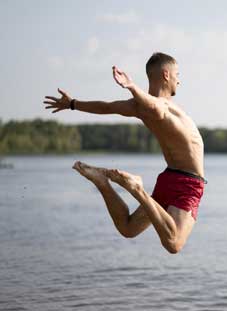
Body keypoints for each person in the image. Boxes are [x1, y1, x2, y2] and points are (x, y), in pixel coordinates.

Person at [43, 52, 206, 254]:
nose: (179, 81)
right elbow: (155, 106)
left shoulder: (138, 107)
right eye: (177, 74)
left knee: (128, 228)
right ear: (166, 75)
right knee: (173, 243)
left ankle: (102, 182)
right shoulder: (162, 106)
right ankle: (137, 189)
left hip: (170, 178)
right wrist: (131, 86)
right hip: (187, 184)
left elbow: (106, 107)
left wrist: (73, 104)